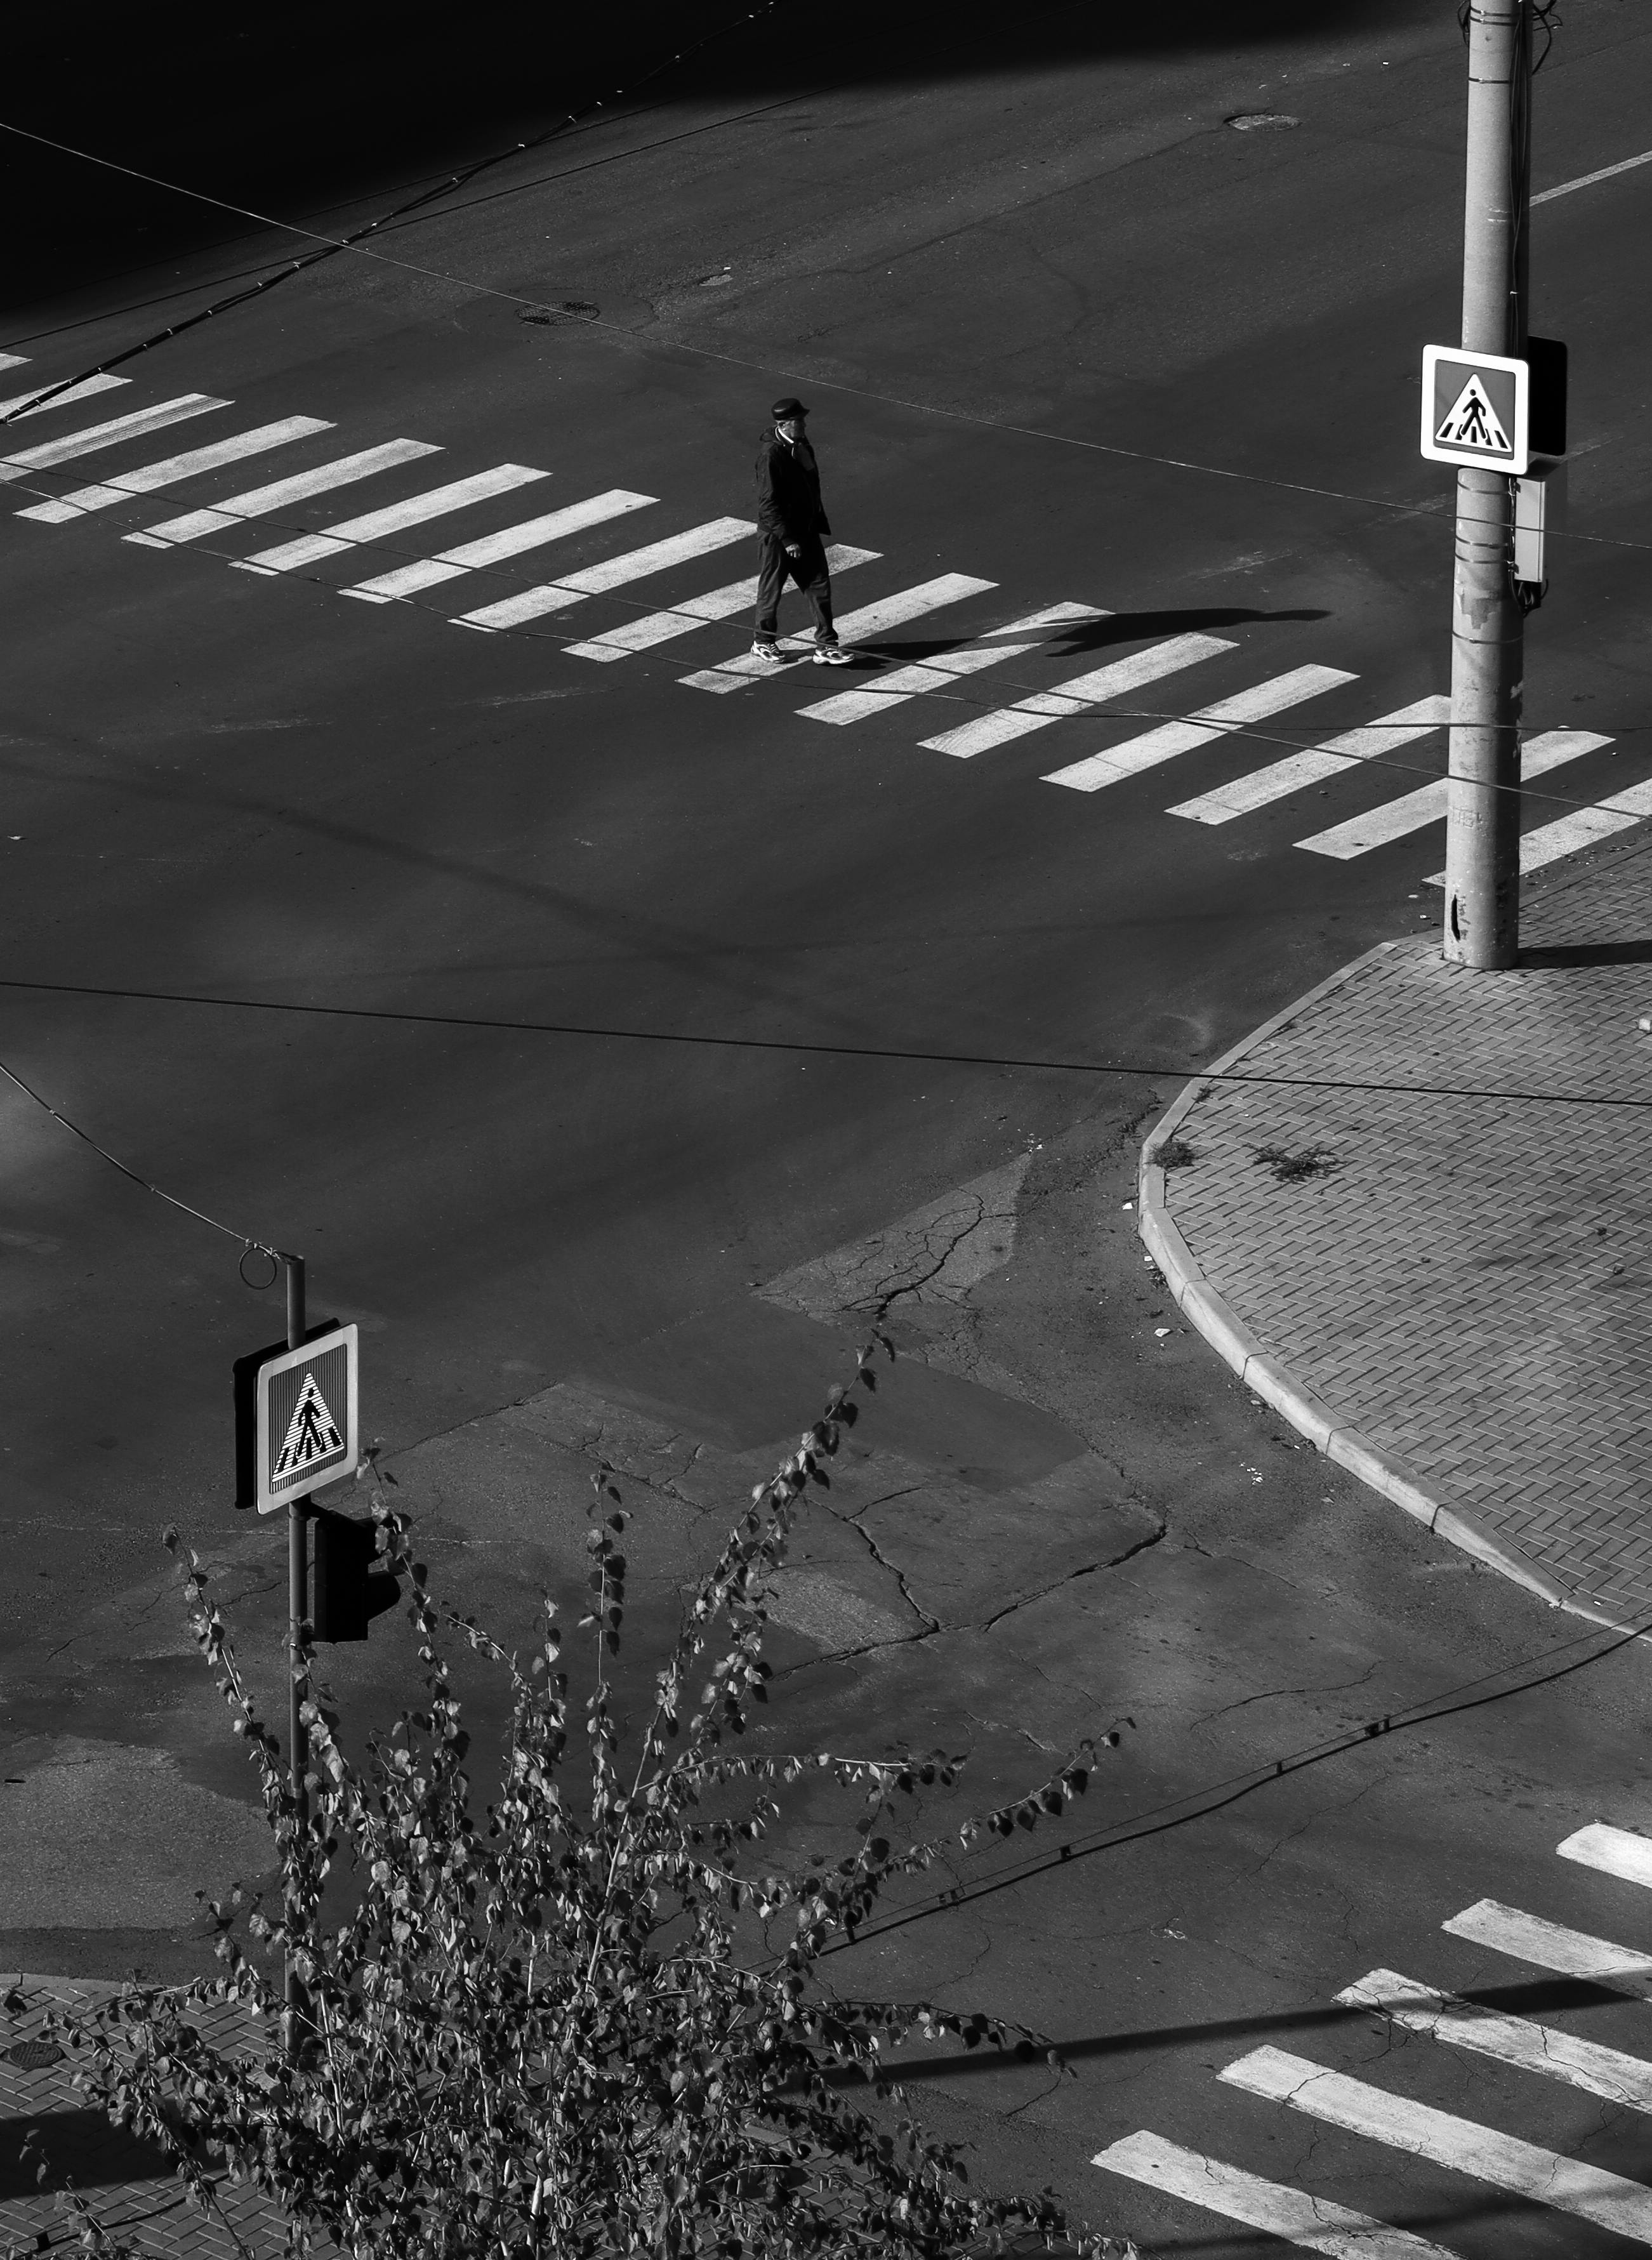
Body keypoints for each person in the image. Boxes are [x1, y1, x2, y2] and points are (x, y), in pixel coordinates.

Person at [750, 398, 850, 665]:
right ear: (784, 424)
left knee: (819, 585)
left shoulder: (801, 445)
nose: (804, 424)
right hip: (778, 537)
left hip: (805, 531)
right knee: (772, 588)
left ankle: (826, 646)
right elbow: (768, 505)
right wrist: (787, 539)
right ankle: (763, 641)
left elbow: (809, 487)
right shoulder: (771, 455)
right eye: (799, 420)